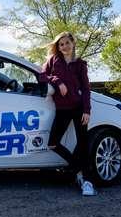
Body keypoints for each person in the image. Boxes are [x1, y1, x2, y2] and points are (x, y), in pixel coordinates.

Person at [41, 32, 96, 196]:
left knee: (84, 144)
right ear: (57, 47)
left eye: (67, 43)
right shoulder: (53, 60)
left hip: (78, 108)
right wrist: (58, 81)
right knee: (52, 143)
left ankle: (87, 182)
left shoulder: (80, 64)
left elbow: (86, 89)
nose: (64, 46)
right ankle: (76, 169)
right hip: (62, 109)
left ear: (73, 43)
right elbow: (42, 76)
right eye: (61, 44)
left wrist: (87, 110)